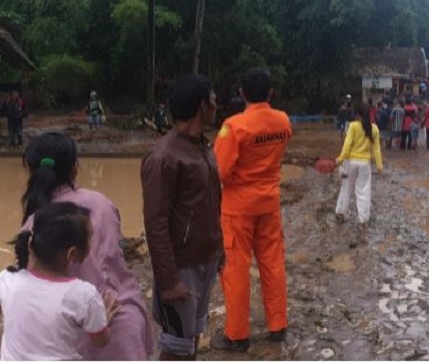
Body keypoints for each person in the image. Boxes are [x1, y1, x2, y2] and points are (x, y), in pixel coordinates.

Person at [18, 132, 155, 360]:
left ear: (32, 172)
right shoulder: (102, 204)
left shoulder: (32, 226)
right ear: (75, 168)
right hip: (122, 319)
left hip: (69, 334)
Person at [141, 74, 222, 360]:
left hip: (206, 257)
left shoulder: (202, 147)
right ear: (202, 106)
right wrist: (168, 279)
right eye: (213, 101)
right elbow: (155, 222)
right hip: (181, 265)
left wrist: (218, 248)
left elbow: (211, 202)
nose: (217, 106)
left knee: (194, 335)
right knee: (176, 346)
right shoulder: (163, 157)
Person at [213, 68, 292, 352]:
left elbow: (219, 172)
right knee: (273, 263)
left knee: (235, 268)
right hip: (269, 203)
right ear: (270, 92)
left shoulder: (233, 127)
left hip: (237, 208)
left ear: (242, 93)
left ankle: (237, 334)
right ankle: (277, 325)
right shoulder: (283, 121)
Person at [1, 202, 121, 360]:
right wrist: (102, 318)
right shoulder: (84, 295)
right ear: (72, 253)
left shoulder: (8, 280)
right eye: (90, 238)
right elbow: (101, 340)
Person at [335, 102, 383, 225]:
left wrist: (340, 158)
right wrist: (379, 166)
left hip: (350, 162)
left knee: (346, 187)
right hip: (364, 164)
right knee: (364, 191)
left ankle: (340, 212)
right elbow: (376, 149)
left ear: (357, 114)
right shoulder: (375, 129)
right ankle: (363, 220)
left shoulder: (353, 126)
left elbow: (347, 144)